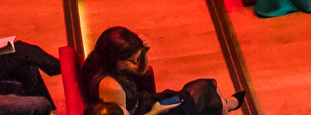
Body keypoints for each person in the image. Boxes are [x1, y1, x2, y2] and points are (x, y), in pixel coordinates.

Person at [79, 26, 231, 115]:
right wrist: (154, 112)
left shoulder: (100, 56)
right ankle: (227, 105)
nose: (136, 63)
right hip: (145, 111)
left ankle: (226, 104)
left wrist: (144, 52)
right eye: (134, 60)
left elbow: (140, 72)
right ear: (118, 60)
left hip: (143, 101)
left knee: (199, 95)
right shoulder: (111, 88)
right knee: (200, 93)